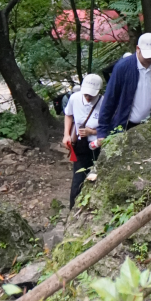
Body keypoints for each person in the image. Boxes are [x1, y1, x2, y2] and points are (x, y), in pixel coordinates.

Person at [96, 33, 151, 140]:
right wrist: (102, 131)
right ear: (137, 49)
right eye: (147, 55)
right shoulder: (122, 67)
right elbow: (110, 98)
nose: (150, 58)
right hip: (126, 124)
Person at [63, 73, 105, 207]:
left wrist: (91, 131)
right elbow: (68, 115)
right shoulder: (75, 98)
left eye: (91, 95)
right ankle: (73, 209)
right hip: (80, 144)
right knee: (78, 178)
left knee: (97, 175)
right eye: (85, 94)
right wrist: (66, 134)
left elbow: (109, 127)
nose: (87, 98)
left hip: (99, 144)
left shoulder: (104, 102)